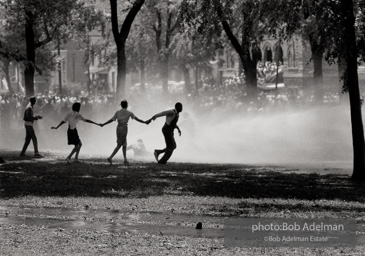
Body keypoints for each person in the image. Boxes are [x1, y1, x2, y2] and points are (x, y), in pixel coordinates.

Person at [101, 100, 147, 165]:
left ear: (121, 105)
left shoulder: (117, 112)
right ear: (127, 105)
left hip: (118, 128)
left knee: (124, 144)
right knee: (119, 144)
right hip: (124, 128)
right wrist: (145, 122)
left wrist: (103, 124)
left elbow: (111, 120)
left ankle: (125, 159)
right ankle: (110, 157)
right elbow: (137, 119)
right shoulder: (129, 113)